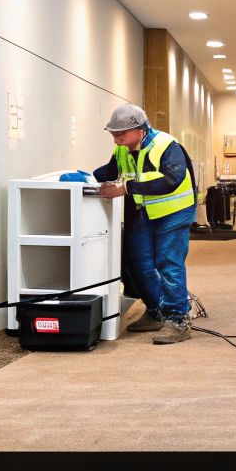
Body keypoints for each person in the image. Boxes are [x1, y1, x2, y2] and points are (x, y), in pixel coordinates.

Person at [94, 104, 198, 345]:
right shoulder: (122, 150)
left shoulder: (165, 145)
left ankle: (178, 319)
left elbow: (172, 179)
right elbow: (109, 172)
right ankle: (157, 310)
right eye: (114, 134)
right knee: (138, 261)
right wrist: (82, 177)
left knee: (168, 263)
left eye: (121, 134)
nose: (117, 140)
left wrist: (126, 188)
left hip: (175, 212)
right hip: (147, 212)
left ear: (140, 129)